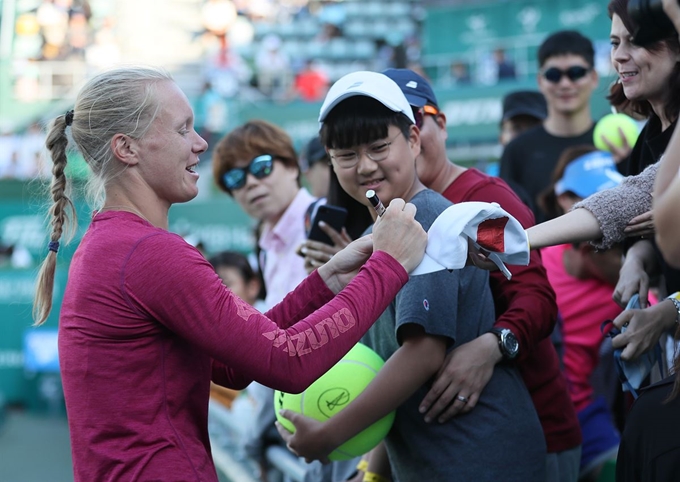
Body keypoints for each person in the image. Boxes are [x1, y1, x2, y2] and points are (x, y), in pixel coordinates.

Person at [32, 66, 427, 482]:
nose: (201, 143)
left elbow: (233, 364)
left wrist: (326, 281)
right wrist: (389, 265)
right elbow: (286, 362)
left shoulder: (112, 245)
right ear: (126, 148)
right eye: (183, 130)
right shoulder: (148, 253)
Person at [277, 71, 546, 481]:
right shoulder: (377, 235)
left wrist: (329, 436)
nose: (365, 165)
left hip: (480, 456)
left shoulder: (425, 217)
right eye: (346, 155)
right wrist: (374, 473)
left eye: (379, 147)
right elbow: (389, 371)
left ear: (414, 140)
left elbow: (423, 353)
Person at [383, 68, 581, 482]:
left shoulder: (478, 204)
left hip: (528, 436)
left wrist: (493, 345)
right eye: (389, 128)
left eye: (414, 119)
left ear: (439, 125)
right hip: (442, 450)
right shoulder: (390, 211)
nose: (407, 134)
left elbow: (534, 296)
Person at [211, 120, 360, 482]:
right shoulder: (264, 244)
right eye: (235, 179)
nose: (250, 183)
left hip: (348, 409)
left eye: (261, 167)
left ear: (293, 166)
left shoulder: (325, 223)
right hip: (301, 420)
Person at [537, 147, 624, 481]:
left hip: (586, 413)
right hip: (536, 410)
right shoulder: (538, 262)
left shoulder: (634, 288)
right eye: (620, 249)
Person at [499, 30, 599, 223]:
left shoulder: (616, 144)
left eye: (576, 73)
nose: (565, 83)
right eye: (553, 75)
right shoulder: (517, 151)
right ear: (540, 81)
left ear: (594, 78)